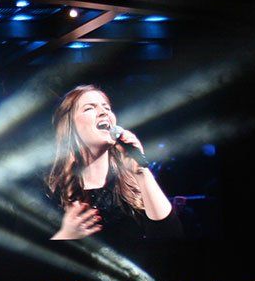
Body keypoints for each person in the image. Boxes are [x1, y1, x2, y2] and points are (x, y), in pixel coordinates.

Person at [47, 85, 181, 242]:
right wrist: (65, 236)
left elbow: (172, 239)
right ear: (69, 126)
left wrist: (141, 171)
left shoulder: (133, 188)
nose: (104, 112)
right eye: (89, 108)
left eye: (107, 108)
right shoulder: (50, 192)